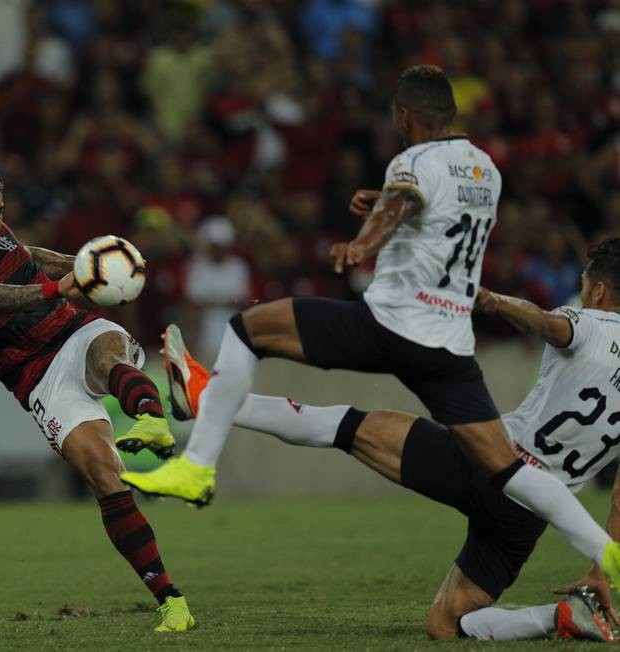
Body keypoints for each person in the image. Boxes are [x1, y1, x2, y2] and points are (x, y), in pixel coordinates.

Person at [119, 65, 620, 581]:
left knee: (248, 330)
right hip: (448, 346)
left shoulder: (414, 159)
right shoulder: (486, 170)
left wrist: (364, 240)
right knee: (511, 469)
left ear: (405, 116)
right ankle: (607, 553)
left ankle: (198, 463)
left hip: (392, 321)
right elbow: (427, 212)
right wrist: (380, 202)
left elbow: (404, 202)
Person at [137, 239, 620, 640]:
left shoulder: (591, 323)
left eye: (582, 287)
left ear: (598, 291)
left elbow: (545, 322)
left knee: (344, 426)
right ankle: (558, 618)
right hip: (532, 513)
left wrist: (497, 302)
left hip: (492, 463)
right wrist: (602, 564)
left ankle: (207, 399)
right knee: (447, 624)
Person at [0, 162, 195, 632]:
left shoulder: (1, 238)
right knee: (106, 476)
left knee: (108, 354)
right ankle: (171, 601)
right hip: (39, 379)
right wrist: (56, 288)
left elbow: (31, 255)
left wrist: (91, 268)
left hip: (74, 333)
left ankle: (153, 414)